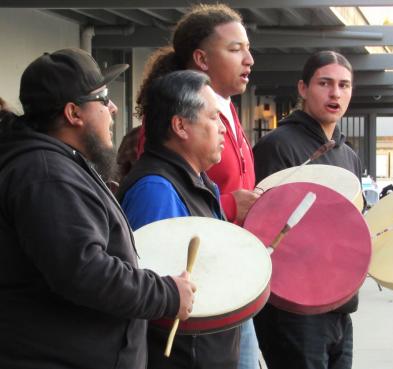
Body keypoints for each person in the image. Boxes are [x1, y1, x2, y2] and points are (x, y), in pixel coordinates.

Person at [0, 48, 195, 369]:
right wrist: (166, 294)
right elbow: (84, 271)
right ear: (73, 113)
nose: (114, 108)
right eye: (103, 99)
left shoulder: (57, 164)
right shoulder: (46, 175)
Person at [134, 4, 260, 368]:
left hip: (226, 278)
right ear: (202, 58)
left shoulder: (228, 112)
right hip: (196, 313)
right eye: (235, 48)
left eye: (247, 47)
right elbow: (159, 257)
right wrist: (234, 206)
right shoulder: (158, 175)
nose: (249, 59)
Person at [116, 70, 239, 369]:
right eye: (213, 118)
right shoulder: (156, 189)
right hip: (183, 356)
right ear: (180, 126)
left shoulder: (197, 179)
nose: (223, 129)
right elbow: (157, 292)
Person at [253, 50, 363, 369]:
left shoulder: (349, 156)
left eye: (344, 85)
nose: (335, 93)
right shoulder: (278, 146)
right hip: (294, 307)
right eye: (325, 83)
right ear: (303, 88)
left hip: (340, 303)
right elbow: (268, 230)